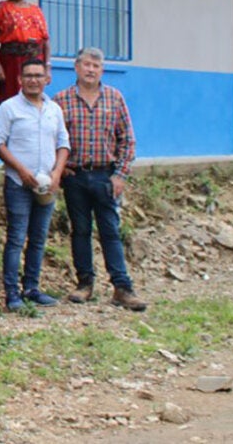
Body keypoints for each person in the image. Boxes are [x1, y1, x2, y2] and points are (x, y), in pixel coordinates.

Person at [53, 47, 146, 311]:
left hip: (106, 176)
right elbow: (51, 138)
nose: (91, 69)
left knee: (110, 231)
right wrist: (59, 169)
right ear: (76, 67)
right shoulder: (61, 100)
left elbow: (127, 140)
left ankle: (122, 287)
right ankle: (85, 284)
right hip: (75, 177)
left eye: (96, 65)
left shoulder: (115, 98)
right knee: (80, 231)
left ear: (102, 70)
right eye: (86, 64)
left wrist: (120, 175)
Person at [0, 58, 69, 311]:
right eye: (29, 75)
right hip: (18, 183)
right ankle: (12, 294)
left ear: (47, 78)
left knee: (38, 238)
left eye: (38, 75)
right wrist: (20, 170)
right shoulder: (9, 108)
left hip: (47, 185)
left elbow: (63, 143)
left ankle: (32, 288)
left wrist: (57, 173)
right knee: (16, 237)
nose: (34, 79)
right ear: (20, 79)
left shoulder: (54, 109)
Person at [0, 0, 49, 104]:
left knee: (33, 94)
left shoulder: (36, 10)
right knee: (9, 97)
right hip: (10, 60)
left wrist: (47, 67)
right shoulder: (1, 8)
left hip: (35, 58)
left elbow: (45, 39)